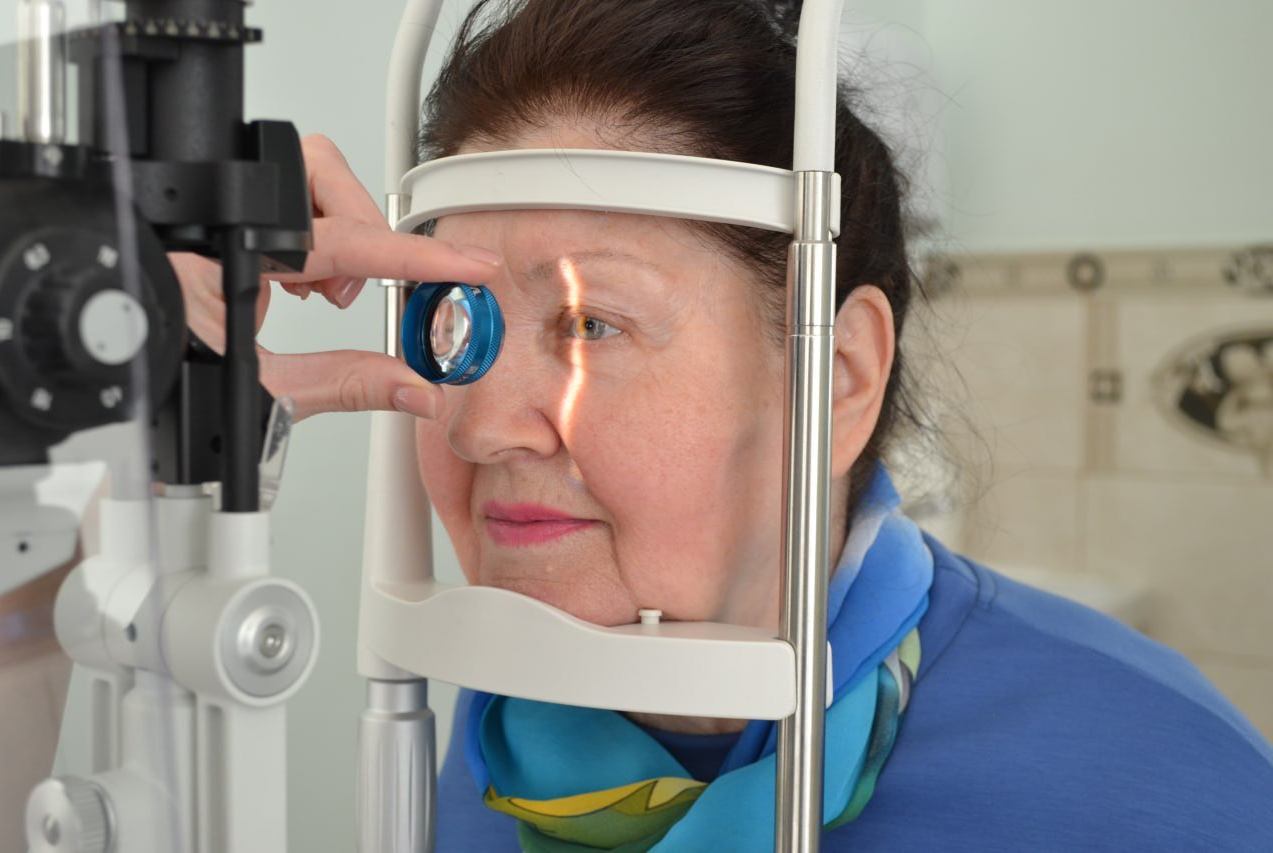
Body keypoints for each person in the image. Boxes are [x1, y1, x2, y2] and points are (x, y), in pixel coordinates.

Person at [182, 0, 1273, 849]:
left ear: (836, 378)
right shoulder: (506, 743)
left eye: (589, 323)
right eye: (452, 320)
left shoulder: (1155, 786)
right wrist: (162, 381)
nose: (481, 428)